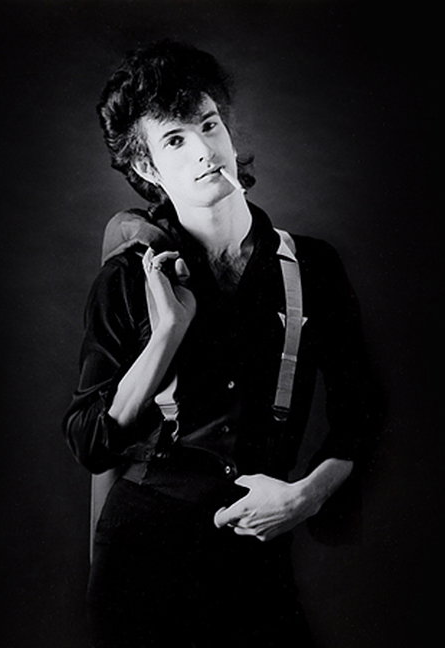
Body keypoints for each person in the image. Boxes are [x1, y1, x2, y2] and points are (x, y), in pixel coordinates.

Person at [63, 40, 382, 648]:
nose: (204, 151)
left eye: (209, 125)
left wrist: (306, 497)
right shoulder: (130, 278)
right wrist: (165, 336)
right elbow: (88, 439)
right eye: (175, 140)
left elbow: (362, 410)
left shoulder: (312, 266)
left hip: (257, 557)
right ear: (148, 169)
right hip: (142, 559)